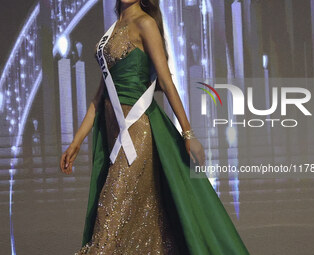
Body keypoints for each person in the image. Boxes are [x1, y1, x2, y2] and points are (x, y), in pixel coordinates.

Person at [60, 0, 250, 254]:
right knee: (139, 225)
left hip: (136, 134)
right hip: (113, 135)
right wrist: (76, 141)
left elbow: (166, 81)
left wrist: (188, 133)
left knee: (108, 219)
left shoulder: (145, 24)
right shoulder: (113, 29)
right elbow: (99, 97)